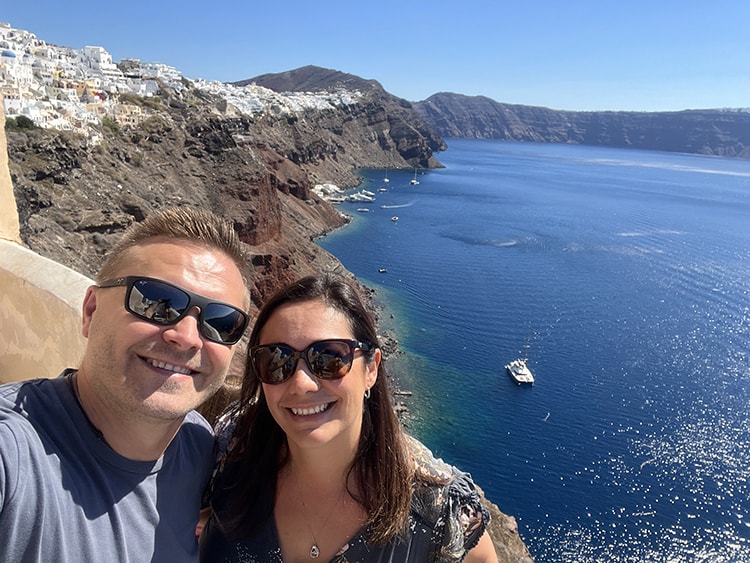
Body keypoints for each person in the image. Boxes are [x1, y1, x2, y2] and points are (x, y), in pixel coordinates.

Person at [0, 206, 251, 562]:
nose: (187, 337)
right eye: (156, 302)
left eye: (221, 322)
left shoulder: (197, 445)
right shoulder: (14, 454)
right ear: (91, 311)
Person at [200, 274, 498, 562]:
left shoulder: (438, 512)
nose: (302, 383)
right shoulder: (231, 450)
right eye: (276, 360)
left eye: (329, 358)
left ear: (371, 369)